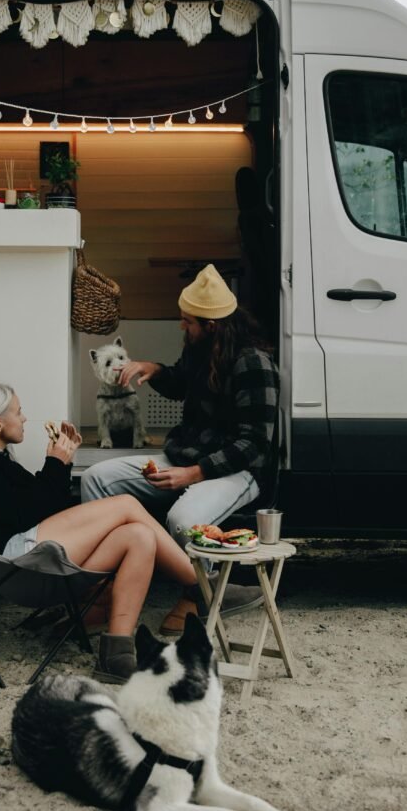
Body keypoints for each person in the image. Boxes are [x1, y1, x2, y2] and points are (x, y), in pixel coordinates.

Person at [0, 382, 204, 684]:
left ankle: (115, 655)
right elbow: (25, 514)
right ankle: (201, 586)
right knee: (127, 504)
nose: (24, 418)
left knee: (139, 535)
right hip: (19, 559)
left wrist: (62, 464)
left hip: (35, 549)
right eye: (19, 412)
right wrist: (55, 464)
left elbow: (43, 505)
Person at [81, 263, 279, 631]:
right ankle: (103, 588)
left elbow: (254, 445)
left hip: (237, 471)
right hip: (185, 456)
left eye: (188, 321)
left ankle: (198, 595)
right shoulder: (200, 347)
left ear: (212, 325)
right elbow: (180, 384)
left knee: (182, 520)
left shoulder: (254, 364)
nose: (181, 326)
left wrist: (195, 473)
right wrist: (153, 369)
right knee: (96, 478)